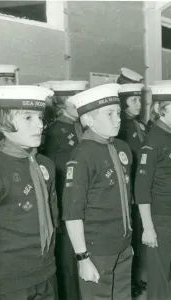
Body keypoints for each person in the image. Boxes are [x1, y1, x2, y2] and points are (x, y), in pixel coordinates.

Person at [62, 83, 133, 300]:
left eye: (118, 113)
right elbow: (72, 212)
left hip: (122, 244)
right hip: (97, 249)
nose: (118, 119)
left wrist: (127, 243)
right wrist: (83, 258)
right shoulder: (83, 155)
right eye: (109, 114)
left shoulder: (122, 147)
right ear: (89, 120)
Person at [0, 85, 58, 299]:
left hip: (46, 270)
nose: (40, 125)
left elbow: (53, 216)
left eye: (40, 118)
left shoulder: (46, 164)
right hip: (9, 279)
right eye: (28, 118)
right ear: (2, 123)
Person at [135, 83, 171, 300]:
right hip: (162, 216)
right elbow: (141, 187)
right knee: (160, 275)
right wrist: (148, 228)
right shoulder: (153, 140)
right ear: (161, 109)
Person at [43, 80, 88, 300]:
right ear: (63, 104)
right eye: (76, 99)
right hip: (64, 201)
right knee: (69, 258)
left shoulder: (80, 126)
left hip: (83, 198)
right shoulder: (55, 131)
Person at [117, 83, 147, 297]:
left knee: (136, 235)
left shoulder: (136, 124)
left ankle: (134, 279)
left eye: (139, 99)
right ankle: (129, 282)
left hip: (139, 185)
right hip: (130, 187)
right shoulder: (123, 127)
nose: (139, 104)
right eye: (134, 100)